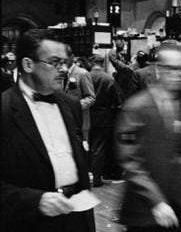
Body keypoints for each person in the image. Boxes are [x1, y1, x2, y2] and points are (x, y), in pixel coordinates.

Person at [116, 42, 181, 232]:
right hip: (144, 209)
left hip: (172, 204)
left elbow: (175, 154)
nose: (179, 75)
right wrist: (156, 201)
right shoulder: (136, 107)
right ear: (159, 69)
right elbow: (131, 162)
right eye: (173, 69)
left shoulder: (175, 105)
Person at [1, 29, 95, 232]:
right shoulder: (5, 110)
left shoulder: (71, 105)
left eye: (65, 62)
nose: (63, 69)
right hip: (30, 221)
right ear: (28, 64)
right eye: (54, 62)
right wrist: (36, 200)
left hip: (76, 216)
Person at [88, 54, 123, 187]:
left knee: (88, 146)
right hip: (104, 116)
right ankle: (97, 177)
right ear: (102, 63)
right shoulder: (109, 79)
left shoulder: (85, 76)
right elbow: (117, 100)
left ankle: (88, 175)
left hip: (87, 115)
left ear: (91, 63)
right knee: (99, 147)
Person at [64, 45, 96, 141]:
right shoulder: (59, 73)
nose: (63, 62)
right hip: (65, 121)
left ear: (72, 57)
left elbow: (91, 97)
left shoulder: (82, 74)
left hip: (80, 121)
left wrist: (75, 106)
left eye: (65, 58)